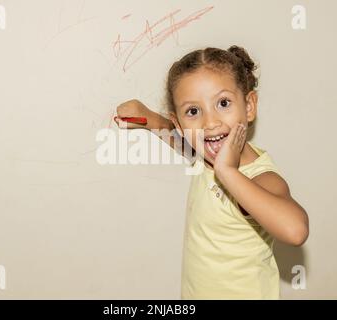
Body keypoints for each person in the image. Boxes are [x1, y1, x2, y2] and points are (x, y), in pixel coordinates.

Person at [113, 45, 309, 299]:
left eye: (223, 103)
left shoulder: (259, 178)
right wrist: (150, 119)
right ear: (180, 124)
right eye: (193, 112)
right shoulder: (205, 156)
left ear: (249, 106)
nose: (210, 123)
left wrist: (228, 172)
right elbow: (185, 143)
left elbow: (296, 231)